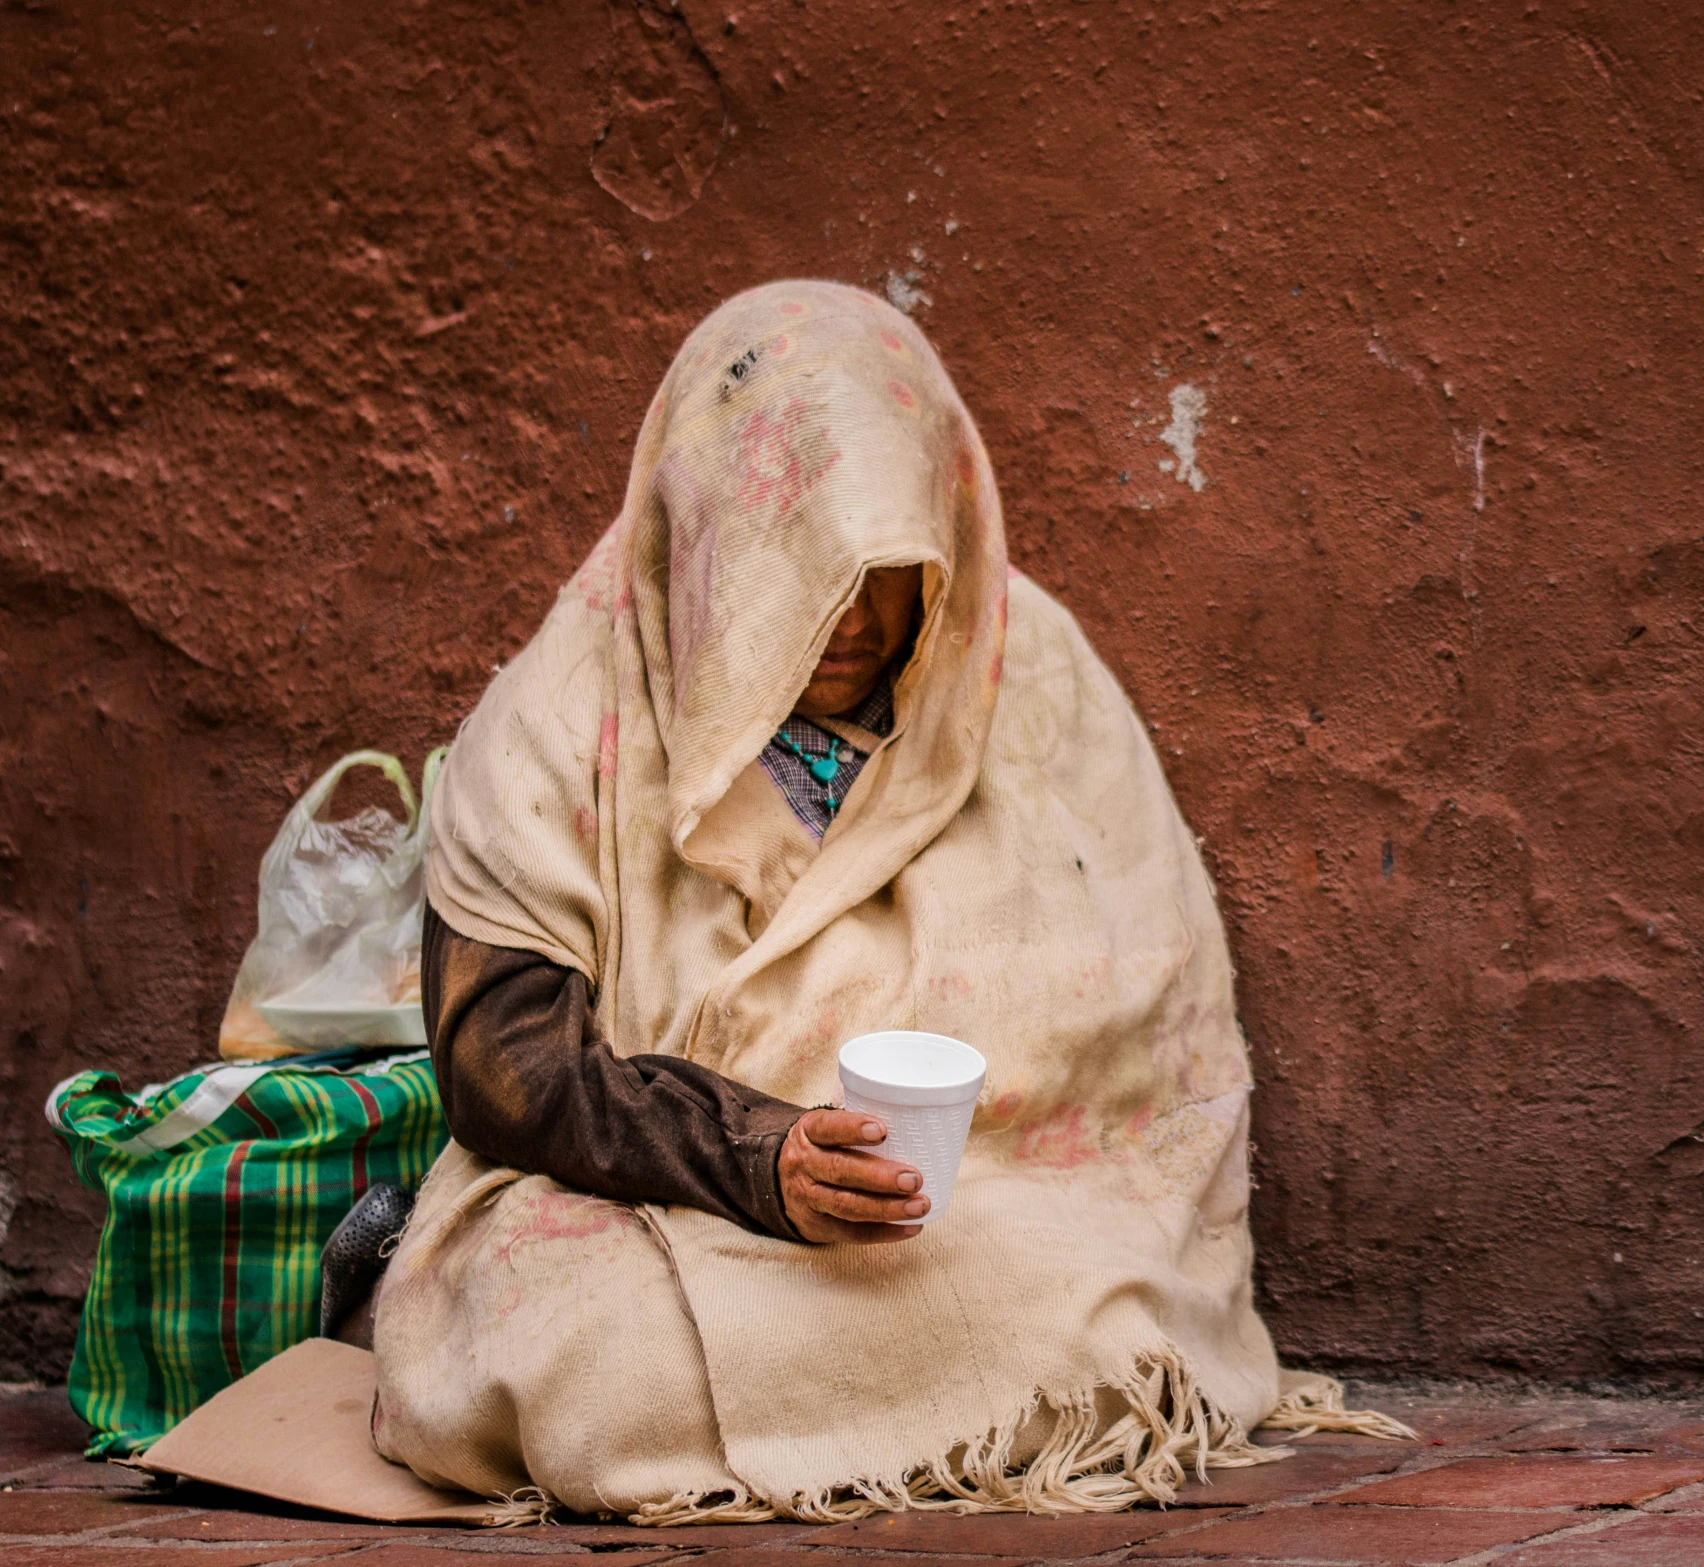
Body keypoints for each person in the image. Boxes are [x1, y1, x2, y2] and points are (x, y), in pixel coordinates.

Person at [368, 281, 1397, 1525]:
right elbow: (503, 1068)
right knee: (594, 1365)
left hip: (970, 1218)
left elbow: (1133, 1053)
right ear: (704, 541)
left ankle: (865, 1402)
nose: (850, 622)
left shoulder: (1035, 682)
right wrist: (762, 1157)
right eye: (797, 570)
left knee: (1107, 1324)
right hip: (650, 1201)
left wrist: (875, 1183)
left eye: (885, 572)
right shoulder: (558, 720)